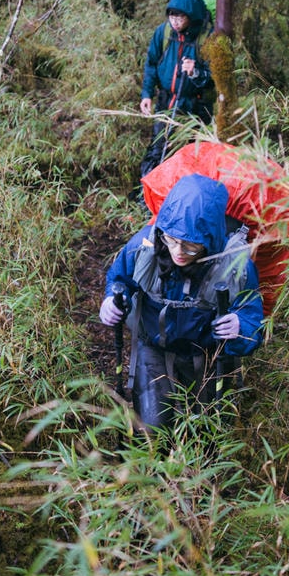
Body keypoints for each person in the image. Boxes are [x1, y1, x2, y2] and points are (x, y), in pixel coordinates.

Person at [99, 173, 264, 432]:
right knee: (153, 430)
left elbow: (253, 320)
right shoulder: (144, 246)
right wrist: (111, 300)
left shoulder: (236, 266)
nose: (178, 253)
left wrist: (240, 327)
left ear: (210, 240)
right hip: (154, 347)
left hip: (208, 354)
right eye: (172, 241)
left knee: (205, 430)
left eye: (190, 247)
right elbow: (119, 279)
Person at [137, 0, 216, 179]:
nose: (175, 21)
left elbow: (214, 78)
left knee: (189, 156)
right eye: (172, 15)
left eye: (180, 16)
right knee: (158, 148)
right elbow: (152, 64)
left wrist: (195, 72)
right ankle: (148, 193)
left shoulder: (208, 39)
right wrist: (147, 94)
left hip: (195, 107)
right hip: (166, 102)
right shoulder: (163, 33)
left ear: (191, 16)